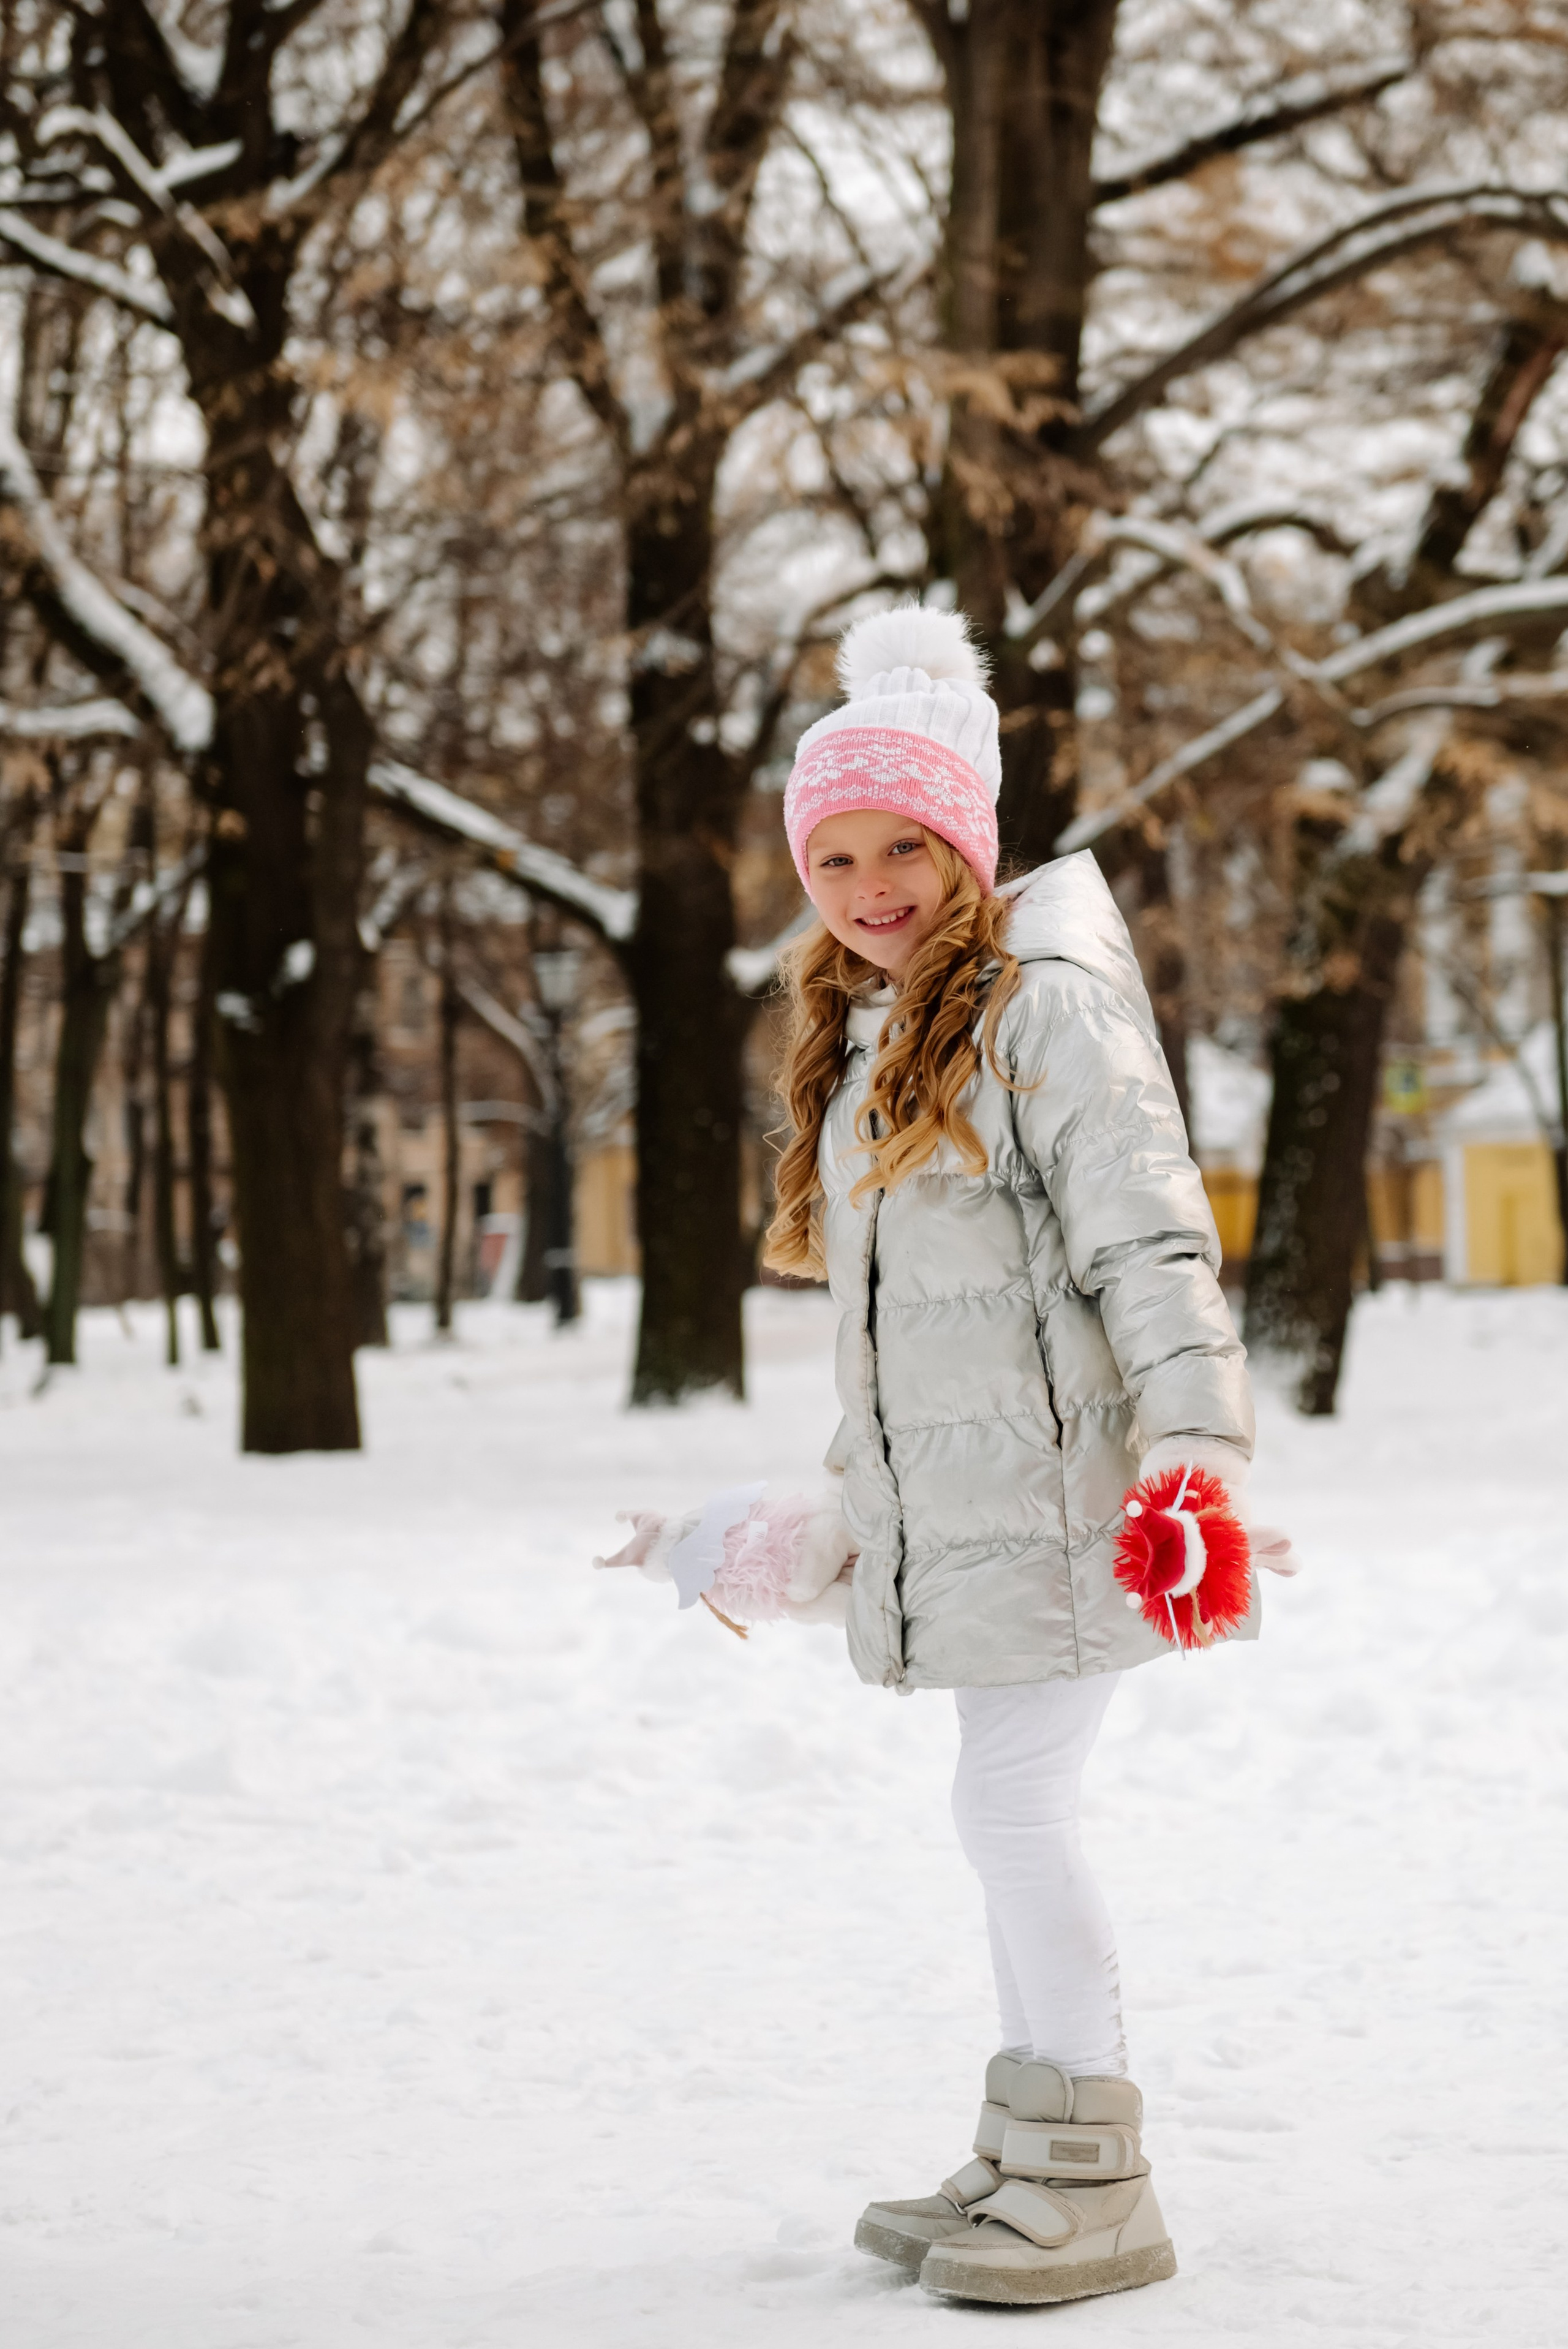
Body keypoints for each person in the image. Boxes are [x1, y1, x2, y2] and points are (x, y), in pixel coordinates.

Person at [600, 604, 1293, 2307]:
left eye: (904, 842)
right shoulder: (874, 1041)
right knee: (1004, 1806)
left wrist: (1190, 1454)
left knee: (1011, 1804)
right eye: (832, 852)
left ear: (968, 842)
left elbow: (1151, 1243)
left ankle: (1097, 2176)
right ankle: (1033, 2139)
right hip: (983, 1520)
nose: (869, 881)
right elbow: (913, 1351)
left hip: (1082, 1510)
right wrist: (826, 1518)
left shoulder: (1043, 1010)